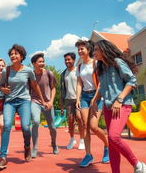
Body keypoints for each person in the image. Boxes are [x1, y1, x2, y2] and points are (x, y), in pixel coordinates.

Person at [93, 40, 146, 173]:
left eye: (96, 50)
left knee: (113, 137)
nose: (94, 53)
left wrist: (120, 99)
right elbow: (102, 88)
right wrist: (95, 100)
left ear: (104, 50)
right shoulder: (101, 68)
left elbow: (132, 80)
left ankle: (138, 165)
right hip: (108, 106)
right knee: (112, 144)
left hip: (122, 105)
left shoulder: (117, 62)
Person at [0, 44, 47, 170]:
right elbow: (0, 86)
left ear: (22, 56)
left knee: (25, 127)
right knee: (6, 125)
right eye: (11, 54)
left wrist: (43, 100)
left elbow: (35, 85)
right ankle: (3, 157)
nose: (13, 56)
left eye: (16, 54)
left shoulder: (28, 70)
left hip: (24, 101)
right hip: (10, 102)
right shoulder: (6, 70)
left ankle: (27, 145)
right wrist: (3, 89)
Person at [75, 39, 109, 167]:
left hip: (97, 95)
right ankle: (88, 155)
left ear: (88, 49)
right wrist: (78, 98)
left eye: (82, 48)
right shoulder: (79, 66)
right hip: (84, 96)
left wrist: (95, 98)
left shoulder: (95, 63)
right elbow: (79, 83)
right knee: (85, 126)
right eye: (78, 49)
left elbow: (100, 82)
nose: (79, 51)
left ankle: (107, 145)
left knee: (94, 126)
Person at [30, 52, 59, 158]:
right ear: (33, 63)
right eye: (39, 62)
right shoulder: (30, 75)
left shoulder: (49, 73)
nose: (42, 63)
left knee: (52, 127)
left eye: (43, 61)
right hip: (35, 101)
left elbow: (53, 88)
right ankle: (35, 147)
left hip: (47, 103)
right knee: (36, 122)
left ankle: (54, 144)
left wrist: (51, 101)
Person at [60, 52, 84, 150]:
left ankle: (82, 140)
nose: (67, 61)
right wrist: (62, 105)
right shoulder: (63, 74)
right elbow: (62, 89)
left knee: (79, 118)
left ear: (74, 60)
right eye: (65, 60)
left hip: (79, 98)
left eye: (69, 59)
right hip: (68, 100)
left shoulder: (78, 71)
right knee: (70, 121)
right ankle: (72, 139)